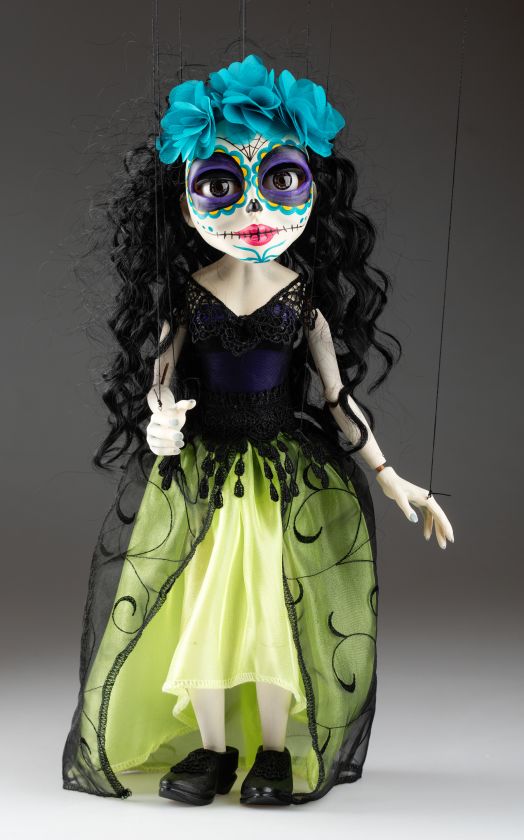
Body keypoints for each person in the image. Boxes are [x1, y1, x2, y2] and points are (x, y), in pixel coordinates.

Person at [62, 54, 453, 806]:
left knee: (276, 611)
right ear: (186, 204)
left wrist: (390, 475)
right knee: (205, 611)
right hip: (204, 477)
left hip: (282, 482)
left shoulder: (303, 301)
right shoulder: (187, 297)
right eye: (219, 184)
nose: (251, 209)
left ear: (313, 190)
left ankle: (272, 752)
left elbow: (338, 400)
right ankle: (213, 751)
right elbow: (159, 385)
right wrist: (161, 426)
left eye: (280, 180)